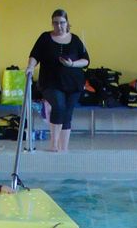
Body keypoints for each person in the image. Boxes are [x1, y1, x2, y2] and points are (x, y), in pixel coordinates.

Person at [26, 9, 90, 153]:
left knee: (67, 113)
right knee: (59, 106)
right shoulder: (45, 38)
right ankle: (54, 145)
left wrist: (72, 64)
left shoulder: (75, 39)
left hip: (73, 83)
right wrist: (30, 67)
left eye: (62, 23)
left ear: (67, 23)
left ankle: (64, 149)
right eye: (55, 23)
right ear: (52, 23)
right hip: (50, 82)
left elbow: (86, 60)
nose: (59, 26)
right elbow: (34, 55)